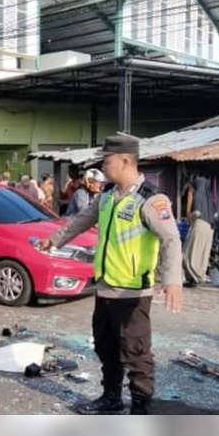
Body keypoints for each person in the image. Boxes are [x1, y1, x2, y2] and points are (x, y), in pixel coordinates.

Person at [37, 135, 183, 415]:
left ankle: (141, 408)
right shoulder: (106, 196)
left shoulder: (151, 200)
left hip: (131, 293)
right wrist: (54, 240)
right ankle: (111, 398)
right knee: (106, 348)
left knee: (137, 354)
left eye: (107, 160)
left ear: (126, 160)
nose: (103, 166)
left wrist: (172, 280)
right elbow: (81, 221)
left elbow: (171, 240)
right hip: (104, 288)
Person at [182, 174, 216, 288]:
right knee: (201, 254)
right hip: (209, 228)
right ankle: (197, 277)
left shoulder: (198, 197)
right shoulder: (208, 199)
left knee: (188, 253)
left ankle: (193, 277)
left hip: (200, 225)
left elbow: (195, 212)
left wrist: (188, 214)